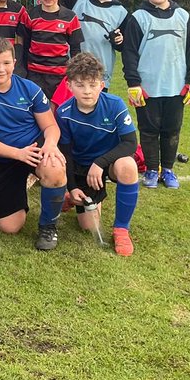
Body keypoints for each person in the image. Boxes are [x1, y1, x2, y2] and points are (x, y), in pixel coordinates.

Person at [0, 38, 68, 251]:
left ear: (14, 62)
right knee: (9, 227)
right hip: (6, 156)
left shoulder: (30, 89)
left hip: (34, 147)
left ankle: (48, 226)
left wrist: (50, 145)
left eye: (6, 63)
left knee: (55, 168)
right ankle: (25, 184)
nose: (1, 69)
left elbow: (51, 126)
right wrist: (17, 154)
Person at [121, 0, 190, 189]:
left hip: (176, 87)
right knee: (149, 131)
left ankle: (167, 169)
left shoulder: (183, 17)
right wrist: (133, 83)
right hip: (148, 88)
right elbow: (129, 52)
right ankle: (150, 169)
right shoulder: (138, 18)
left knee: (171, 130)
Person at [56, 53, 139, 256]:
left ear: (101, 85)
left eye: (92, 85)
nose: (87, 91)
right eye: (80, 85)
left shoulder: (115, 105)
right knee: (87, 226)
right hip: (80, 169)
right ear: (69, 86)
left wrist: (100, 163)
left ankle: (121, 229)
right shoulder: (64, 112)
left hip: (106, 164)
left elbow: (130, 143)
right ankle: (71, 196)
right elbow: (65, 154)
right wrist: (73, 185)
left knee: (128, 166)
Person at [17, 0, 83, 100]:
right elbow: (23, 44)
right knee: (36, 109)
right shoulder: (30, 15)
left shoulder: (70, 17)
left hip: (60, 74)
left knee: (58, 111)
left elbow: (76, 48)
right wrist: (21, 70)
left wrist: (75, 72)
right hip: (34, 73)